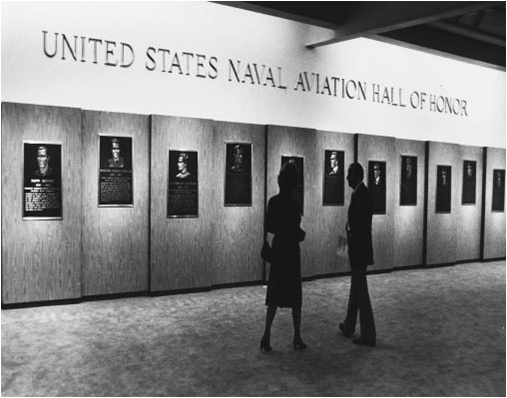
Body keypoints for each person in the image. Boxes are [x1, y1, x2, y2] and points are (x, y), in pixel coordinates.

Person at [260, 161, 307, 352]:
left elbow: (270, 228)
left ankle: (266, 335)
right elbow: (295, 232)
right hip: (291, 252)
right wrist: (300, 234)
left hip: (279, 251)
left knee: (274, 295)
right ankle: (297, 336)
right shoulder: (294, 205)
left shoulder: (273, 202)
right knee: (295, 297)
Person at [339, 162, 376, 347]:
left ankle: (369, 334)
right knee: (356, 288)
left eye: (349, 175)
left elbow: (359, 226)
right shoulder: (362, 194)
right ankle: (349, 324)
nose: (346, 178)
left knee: (361, 292)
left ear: (356, 176)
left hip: (358, 251)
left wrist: (349, 234)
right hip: (358, 250)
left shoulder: (361, 195)